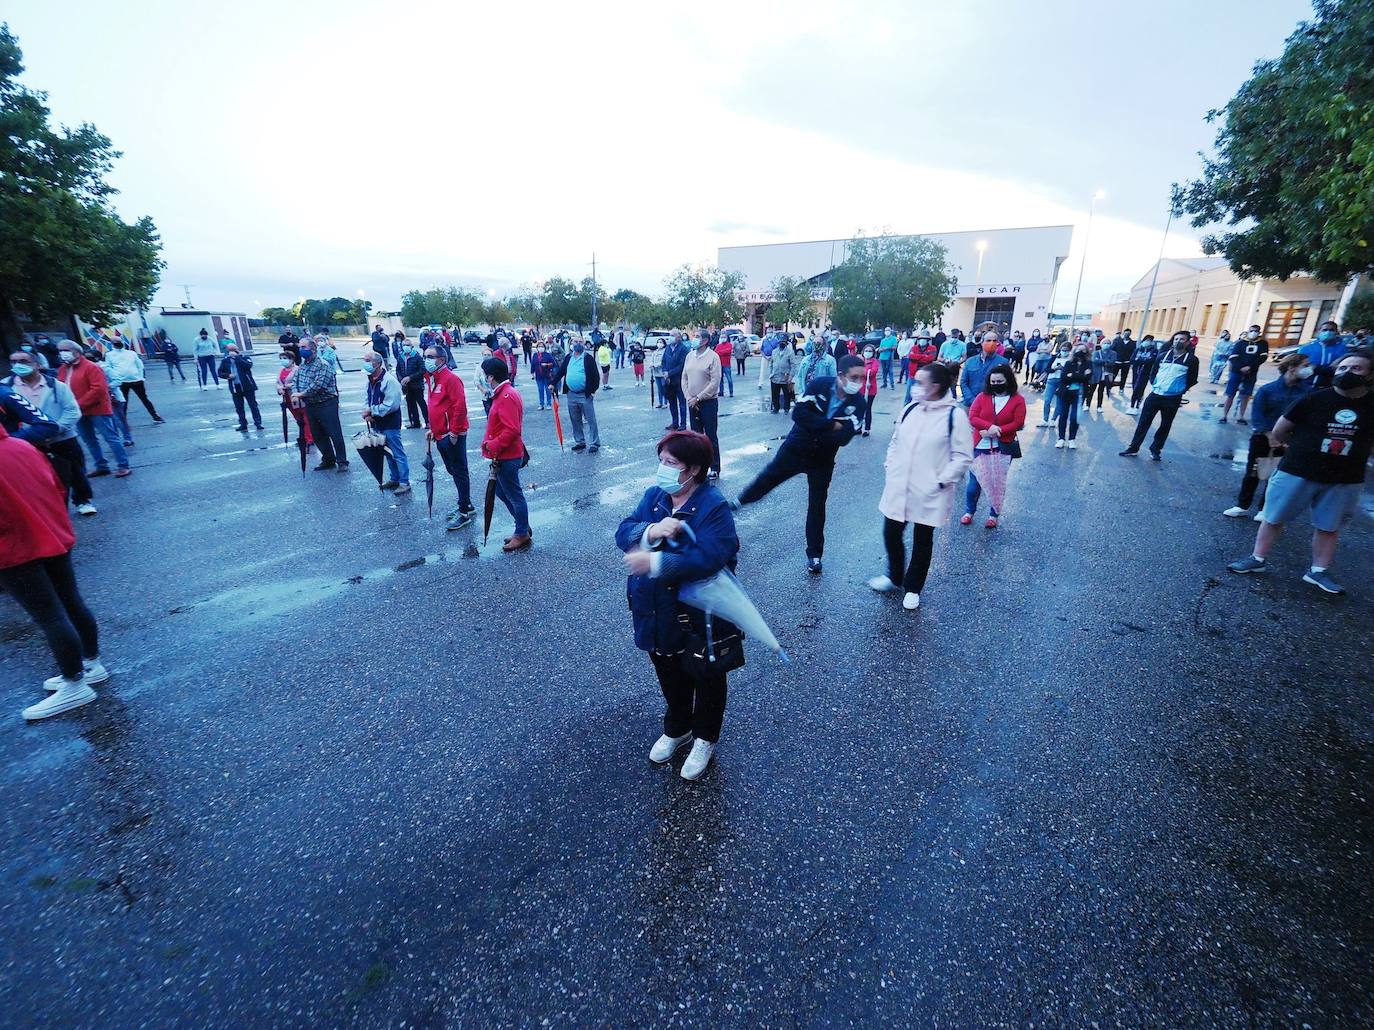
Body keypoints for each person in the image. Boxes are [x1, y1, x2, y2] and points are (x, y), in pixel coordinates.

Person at [616, 429, 741, 781]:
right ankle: (678, 727)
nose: (663, 470)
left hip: (699, 614)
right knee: (667, 669)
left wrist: (657, 563)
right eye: (661, 462)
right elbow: (624, 531)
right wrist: (652, 530)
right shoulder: (655, 496)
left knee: (705, 673)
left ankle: (704, 737)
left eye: (671, 463)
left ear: (694, 469)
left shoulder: (712, 506)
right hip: (654, 606)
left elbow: (714, 555)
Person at [1227, 350, 1373, 594]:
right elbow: (1280, 430)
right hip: (1298, 470)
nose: (1347, 373)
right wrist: (1300, 448)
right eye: (1343, 368)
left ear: (1370, 375)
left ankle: (1318, 572)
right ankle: (1257, 559)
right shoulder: (1313, 399)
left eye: (1356, 369)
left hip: (1344, 478)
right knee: (1274, 516)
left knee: (1329, 526)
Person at [0, 424, 108, 720]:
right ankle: (90, 663)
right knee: (70, 602)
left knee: (50, 615)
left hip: (15, 548)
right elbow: (58, 485)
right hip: (53, 534)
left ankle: (74, 683)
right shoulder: (23, 447)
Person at [736, 355, 866, 574]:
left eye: (862, 377)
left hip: (822, 460)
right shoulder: (819, 385)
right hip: (795, 449)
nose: (858, 382)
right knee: (767, 479)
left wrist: (818, 425)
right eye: (854, 377)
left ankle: (814, 555)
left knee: (817, 506)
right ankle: (737, 503)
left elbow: (844, 437)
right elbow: (799, 414)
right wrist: (829, 424)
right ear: (841, 375)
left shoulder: (859, 403)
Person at [868, 362, 974, 611]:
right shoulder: (910, 408)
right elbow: (895, 441)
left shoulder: (954, 415)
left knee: (922, 539)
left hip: (930, 490)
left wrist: (941, 480)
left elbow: (962, 456)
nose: (915, 386)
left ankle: (913, 587)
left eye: (920, 382)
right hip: (900, 484)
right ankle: (894, 576)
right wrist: (890, 466)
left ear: (936, 386)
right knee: (891, 532)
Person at [1223, 352, 1313, 519]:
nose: (1309, 369)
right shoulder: (1268, 390)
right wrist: (1270, 435)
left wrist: (1290, 440)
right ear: (1292, 368)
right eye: (1305, 365)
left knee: (1277, 477)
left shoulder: (1308, 392)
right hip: (1262, 438)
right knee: (1253, 473)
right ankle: (1242, 505)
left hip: (1289, 442)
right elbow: (1257, 416)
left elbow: (1308, 419)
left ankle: (1265, 509)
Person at [3, 352, 93, 515]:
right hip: (27, 444)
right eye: (13, 362)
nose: (18, 365)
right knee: (41, 480)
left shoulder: (56, 386)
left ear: (37, 364)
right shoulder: (6, 388)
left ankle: (82, 500)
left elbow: (72, 411)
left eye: (23, 361)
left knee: (75, 472)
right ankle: (54, 512)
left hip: (62, 438)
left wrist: (54, 429)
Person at [1119, 330, 1200, 460]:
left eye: (1182, 339)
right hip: (1155, 395)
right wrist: (1154, 383)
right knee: (1143, 423)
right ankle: (1133, 447)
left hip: (1173, 398)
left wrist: (1181, 389)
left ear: (1187, 342)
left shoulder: (1191, 359)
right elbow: (1153, 372)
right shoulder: (1163, 356)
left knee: (1165, 425)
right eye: (1176, 339)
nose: (1178, 341)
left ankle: (1156, 450)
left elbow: (1192, 379)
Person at [962, 365, 1026, 528]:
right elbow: (973, 417)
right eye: (993, 381)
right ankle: (969, 511)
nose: (996, 384)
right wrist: (988, 427)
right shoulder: (983, 397)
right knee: (975, 482)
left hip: (1003, 446)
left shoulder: (1017, 400)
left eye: (1000, 381)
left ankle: (993, 514)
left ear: (1008, 381)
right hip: (980, 445)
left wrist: (998, 431)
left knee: (997, 482)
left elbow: (1018, 423)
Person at [57, 340, 130, 478]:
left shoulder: (91, 367)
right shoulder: (63, 369)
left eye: (65, 350)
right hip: (77, 412)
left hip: (97, 409)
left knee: (111, 438)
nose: (62, 353)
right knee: (89, 440)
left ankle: (123, 465)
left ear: (77, 351)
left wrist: (78, 405)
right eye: (60, 350)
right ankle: (101, 466)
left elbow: (98, 389)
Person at [480, 357, 531, 551]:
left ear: (491, 376)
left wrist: (492, 445)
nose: (483, 378)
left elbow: (512, 430)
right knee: (502, 492)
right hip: (504, 453)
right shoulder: (503, 393)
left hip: (507, 455)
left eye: (485, 375)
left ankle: (521, 532)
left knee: (514, 495)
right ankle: (522, 525)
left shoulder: (506, 396)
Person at [424, 344, 476, 530]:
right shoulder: (432, 378)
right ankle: (466, 503)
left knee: (459, 471)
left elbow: (459, 407)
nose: (426, 360)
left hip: (452, 435)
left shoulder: (451, 379)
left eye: (430, 357)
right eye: (425, 356)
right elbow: (436, 406)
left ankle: (464, 511)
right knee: (452, 470)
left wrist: (454, 432)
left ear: (441, 360)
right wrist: (433, 428)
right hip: (440, 434)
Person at [291, 338, 349, 472]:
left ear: (313, 349)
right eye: (300, 347)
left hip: (326, 402)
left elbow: (319, 385)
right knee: (317, 434)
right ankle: (328, 459)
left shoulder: (323, 364)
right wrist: (295, 393)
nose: (301, 350)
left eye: (304, 347)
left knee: (334, 433)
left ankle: (342, 461)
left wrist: (302, 394)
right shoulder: (302, 366)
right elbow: (295, 381)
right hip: (310, 404)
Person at [360, 351, 410, 493]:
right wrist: (368, 413)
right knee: (387, 452)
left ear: (377, 363)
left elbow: (391, 405)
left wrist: (371, 411)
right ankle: (394, 478)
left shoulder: (389, 380)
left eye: (368, 360)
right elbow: (367, 399)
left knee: (397, 453)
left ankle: (404, 482)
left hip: (390, 423)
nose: (366, 362)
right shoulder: (370, 379)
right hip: (377, 423)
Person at [682, 331, 722, 479]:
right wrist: (688, 397)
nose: (694, 339)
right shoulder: (689, 356)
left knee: (710, 436)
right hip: (691, 402)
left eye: (698, 337)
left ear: (705, 341)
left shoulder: (713, 357)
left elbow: (715, 382)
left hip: (708, 402)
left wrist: (699, 397)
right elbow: (684, 377)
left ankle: (715, 467)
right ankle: (698, 467)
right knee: (695, 437)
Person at [555, 338, 602, 453]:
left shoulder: (588, 358)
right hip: (571, 394)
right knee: (575, 419)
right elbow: (561, 372)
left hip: (584, 395)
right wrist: (552, 383)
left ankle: (594, 443)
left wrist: (592, 391)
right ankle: (580, 441)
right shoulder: (568, 357)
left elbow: (595, 376)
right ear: (572, 344)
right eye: (576, 342)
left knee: (591, 420)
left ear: (583, 344)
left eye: (580, 342)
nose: (578, 344)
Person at [104, 337, 164, 427]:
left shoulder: (131, 353)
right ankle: (123, 421)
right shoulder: (109, 355)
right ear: (112, 344)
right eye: (116, 342)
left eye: (119, 341)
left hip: (136, 380)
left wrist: (141, 377)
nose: (118, 343)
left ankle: (155, 416)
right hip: (122, 382)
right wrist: (114, 380)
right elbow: (108, 368)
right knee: (124, 402)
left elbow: (139, 365)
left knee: (144, 399)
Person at [1219, 325, 1269, 423]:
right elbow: (1233, 357)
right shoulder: (1240, 343)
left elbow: (1262, 357)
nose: (1253, 332)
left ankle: (1241, 417)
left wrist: (1250, 367)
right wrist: (1241, 367)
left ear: (1259, 332)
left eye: (1256, 331)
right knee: (1230, 394)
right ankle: (1224, 416)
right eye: (1251, 330)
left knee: (1245, 395)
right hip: (1236, 372)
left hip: (1251, 373)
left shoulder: (1263, 344)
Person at [1052, 343, 1092, 448]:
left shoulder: (1088, 364)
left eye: (1084, 351)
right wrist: (1080, 375)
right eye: (1079, 350)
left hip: (1079, 394)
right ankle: (1061, 438)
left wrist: (1073, 375)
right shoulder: (1069, 363)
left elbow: (1087, 378)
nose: (1081, 353)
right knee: (1063, 415)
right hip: (1065, 393)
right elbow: (1064, 377)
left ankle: (1072, 439)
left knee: (1075, 417)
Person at [218, 343, 264, 432]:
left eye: (233, 350)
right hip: (235, 387)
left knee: (253, 405)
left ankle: (258, 423)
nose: (230, 353)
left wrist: (237, 358)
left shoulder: (244, 357)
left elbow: (248, 366)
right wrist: (227, 375)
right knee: (239, 407)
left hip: (248, 386)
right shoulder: (225, 361)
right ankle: (243, 424)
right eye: (229, 351)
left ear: (237, 350)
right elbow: (220, 372)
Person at [958, 332, 1010, 406]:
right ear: (982, 342)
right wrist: (972, 400)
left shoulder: (1003, 362)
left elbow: (1007, 385)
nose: (991, 343)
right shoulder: (970, 361)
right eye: (988, 340)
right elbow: (963, 382)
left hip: (992, 406)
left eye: (994, 341)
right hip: (970, 405)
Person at [276, 349, 313, 449]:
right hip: (287, 398)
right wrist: (279, 389)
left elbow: (302, 381)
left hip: (297, 397)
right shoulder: (281, 370)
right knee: (298, 419)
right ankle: (304, 436)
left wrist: (289, 386)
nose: (283, 360)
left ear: (292, 360)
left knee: (305, 418)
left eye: (285, 358)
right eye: (281, 358)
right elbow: (278, 382)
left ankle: (309, 438)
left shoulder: (298, 369)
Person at [1297, 321, 1350, 389]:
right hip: (1304, 387)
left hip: (1329, 387)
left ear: (1336, 332)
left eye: (1331, 330)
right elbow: (1299, 368)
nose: (1328, 332)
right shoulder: (1306, 348)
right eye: (1325, 330)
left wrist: (1315, 368)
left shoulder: (1343, 349)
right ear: (1319, 331)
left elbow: (1340, 368)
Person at [394, 332, 426, 428]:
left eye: (407, 345)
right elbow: (398, 369)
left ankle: (428, 421)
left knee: (421, 403)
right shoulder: (401, 356)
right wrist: (401, 379)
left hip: (417, 385)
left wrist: (410, 378)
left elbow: (422, 370)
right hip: (406, 386)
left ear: (411, 346)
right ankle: (415, 422)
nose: (405, 347)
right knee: (410, 404)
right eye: (404, 345)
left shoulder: (417, 356)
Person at [660, 331, 688, 430]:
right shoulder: (668, 348)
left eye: (673, 335)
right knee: (672, 402)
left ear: (679, 337)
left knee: (682, 403)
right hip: (668, 381)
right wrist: (664, 371)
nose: (670, 337)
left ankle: (683, 423)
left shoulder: (683, 349)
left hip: (679, 380)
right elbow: (663, 361)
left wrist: (670, 373)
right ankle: (674, 422)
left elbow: (682, 365)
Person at [904, 330, 938, 404]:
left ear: (928, 340)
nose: (922, 341)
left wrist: (918, 357)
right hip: (913, 375)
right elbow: (911, 356)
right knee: (908, 397)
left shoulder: (932, 348)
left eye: (924, 339)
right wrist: (924, 356)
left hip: (926, 376)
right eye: (921, 339)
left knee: (924, 396)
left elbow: (931, 358)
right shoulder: (914, 348)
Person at [769, 333, 798, 413]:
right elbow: (771, 363)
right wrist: (771, 373)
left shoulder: (790, 352)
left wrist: (791, 376)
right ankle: (776, 408)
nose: (782, 343)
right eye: (780, 342)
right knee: (775, 394)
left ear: (786, 343)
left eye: (783, 342)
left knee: (787, 394)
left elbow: (793, 365)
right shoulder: (774, 351)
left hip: (785, 377)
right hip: (775, 376)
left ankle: (786, 408)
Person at [1129, 334, 1159, 411]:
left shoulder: (1154, 351)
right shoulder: (1138, 350)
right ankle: (1133, 403)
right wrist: (1143, 361)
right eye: (1146, 340)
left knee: (1140, 388)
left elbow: (1152, 360)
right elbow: (1132, 360)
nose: (1148, 342)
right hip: (1136, 372)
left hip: (1145, 373)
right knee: (1134, 387)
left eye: (1150, 341)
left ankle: (1136, 404)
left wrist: (1140, 360)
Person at [859, 343, 880, 435]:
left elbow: (873, 372)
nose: (868, 353)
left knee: (867, 408)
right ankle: (858, 427)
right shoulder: (860, 360)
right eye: (866, 351)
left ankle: (867, 428)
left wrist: (864, 371)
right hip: (859, 388)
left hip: (870, 389)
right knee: (859, 408)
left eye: (870, 351)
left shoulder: (875, 361)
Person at [531, 340, 558, 409]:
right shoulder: (535, 355)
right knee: (540, 390)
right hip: (538, 376)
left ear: (544, 347)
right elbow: (533, 365)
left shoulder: (548, 355)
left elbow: (554, 364)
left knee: (548, 390)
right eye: (539, 346)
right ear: (537, 347)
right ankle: (541, 404)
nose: (541, 348)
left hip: (547, 375)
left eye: (542, 346)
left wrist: (546, 365)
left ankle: (549, 404)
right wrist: (532, 373)